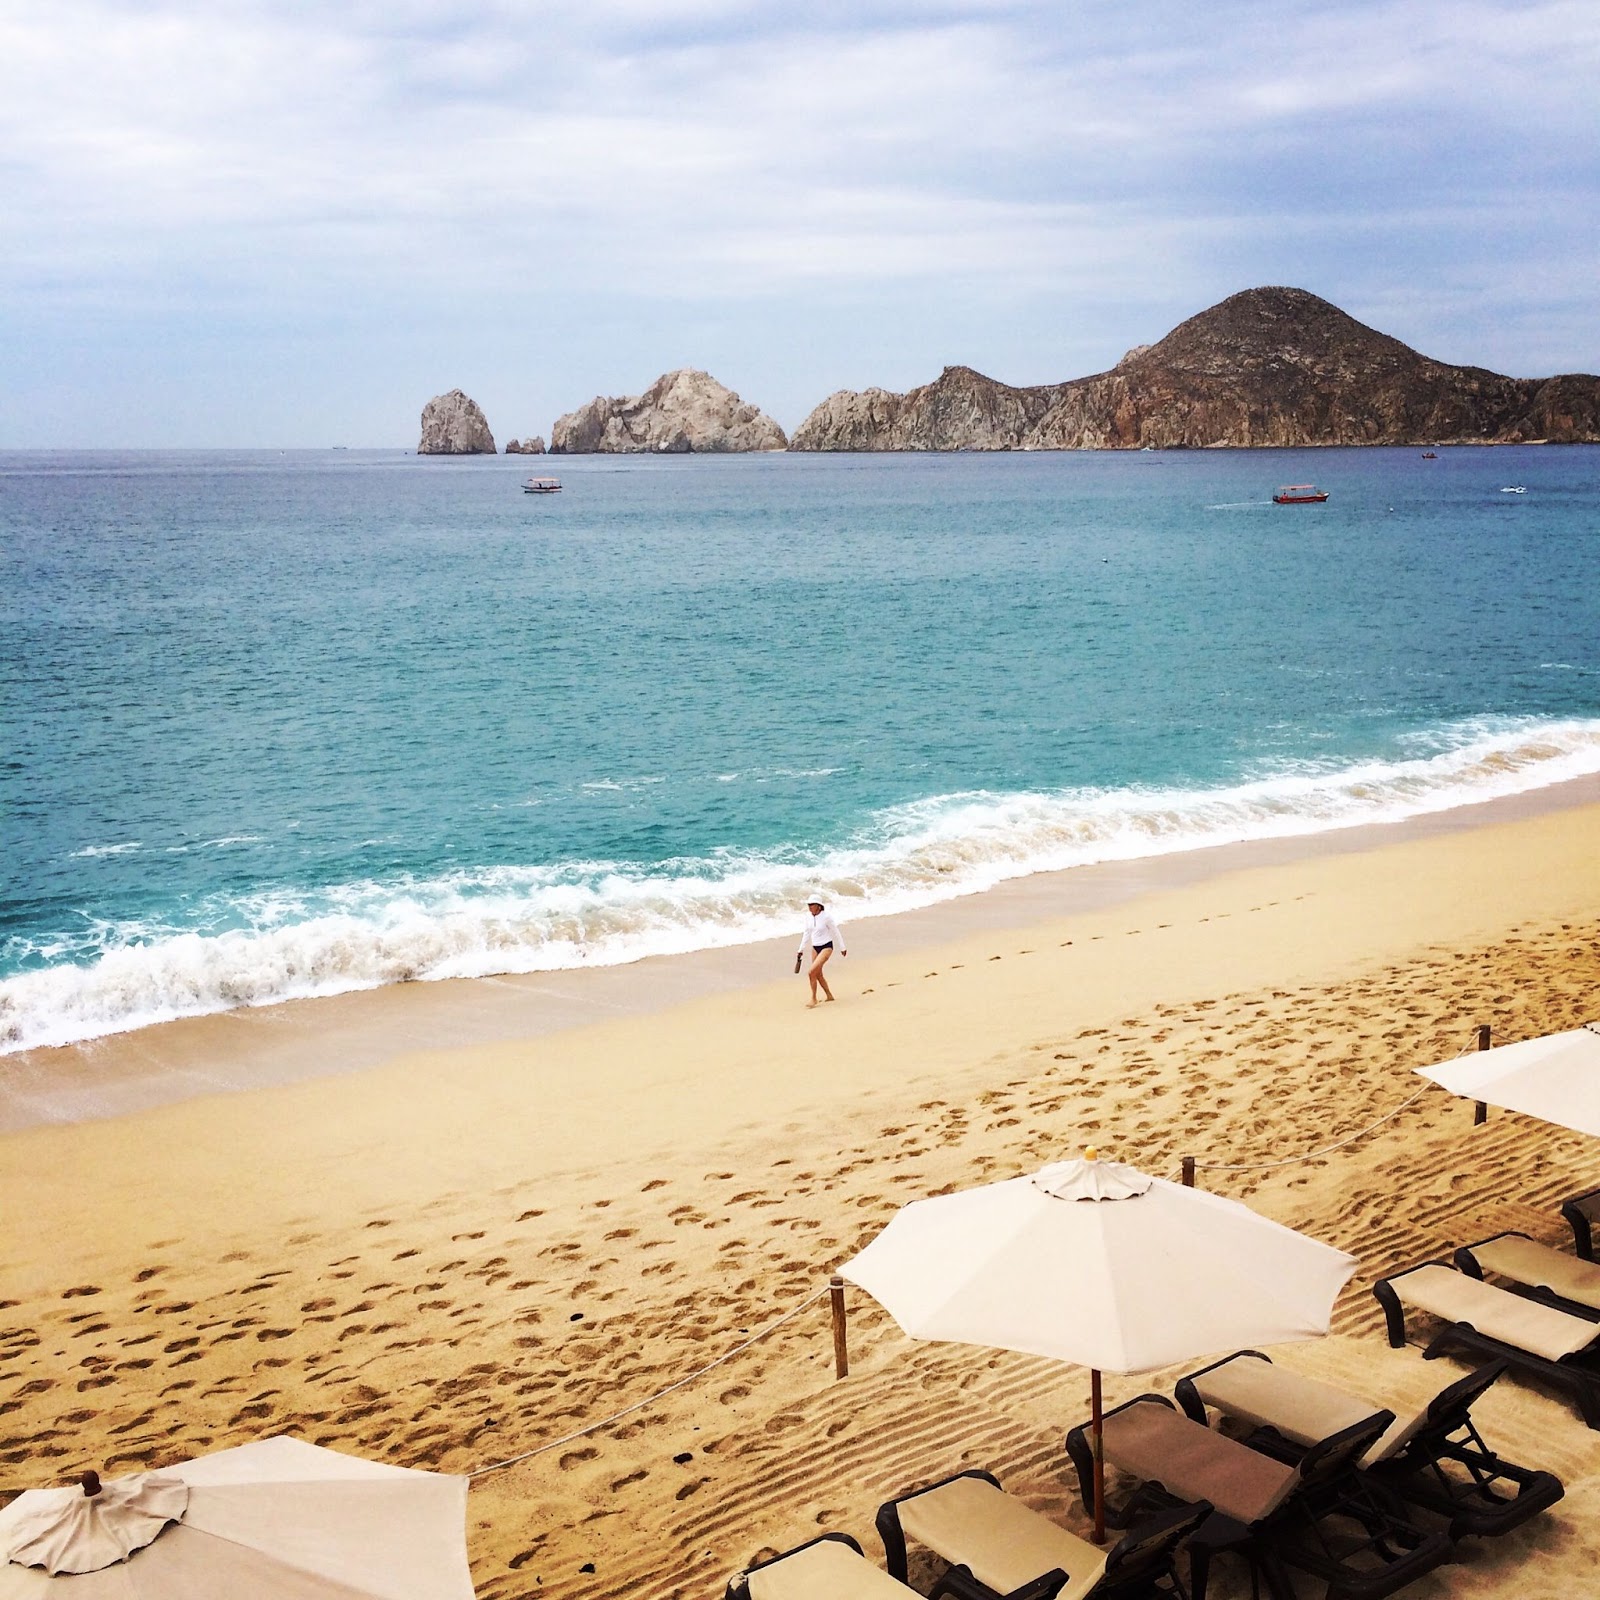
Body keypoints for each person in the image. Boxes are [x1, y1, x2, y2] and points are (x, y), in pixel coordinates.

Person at [795, 895, 846, 1008]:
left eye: (812, 904)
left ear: (818, 906)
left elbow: (836, 931)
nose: (810, 907)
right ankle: (829, 995)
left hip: (826, 946)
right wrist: (800, 949)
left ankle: (813, 998)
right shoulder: (808, 916)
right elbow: (806, 933)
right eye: (808, 904)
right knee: (818, 974)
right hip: (815, 947)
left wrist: (842, 947)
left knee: (811, 972)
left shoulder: (826, 917)